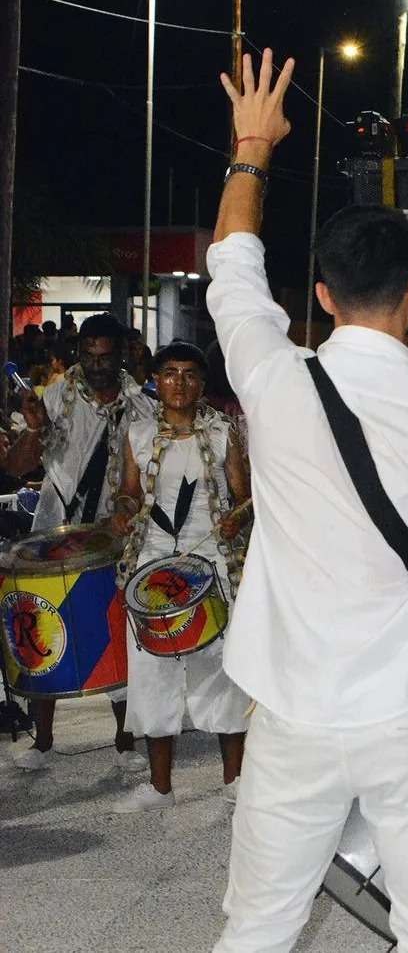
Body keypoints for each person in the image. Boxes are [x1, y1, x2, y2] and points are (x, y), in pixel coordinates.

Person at [208, 50, 408, 953]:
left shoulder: (270, 377)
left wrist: (252, 146)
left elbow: (232, 265)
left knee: (259, 923)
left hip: (294, 708)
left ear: (320, 295)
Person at [6, 312, 154, 772]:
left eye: (105, 356)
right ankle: (43, 741)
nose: (96, 365)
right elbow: (17, 468)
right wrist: (33, 428)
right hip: (55, 533)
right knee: (46, 631)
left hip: (114, 539)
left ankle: (126, 741)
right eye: (88, 356)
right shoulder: (54, 397)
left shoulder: (141, 407)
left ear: (122, 354)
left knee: (113, 634)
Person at [108, 342, 251, 813]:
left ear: (202, 383)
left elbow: (245, 497)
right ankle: (160, 787)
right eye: (170, 373)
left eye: (190, 375)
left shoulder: (224, 431)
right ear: (156, 379)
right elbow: (129, 494)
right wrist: (124, 513)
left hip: (210, 558)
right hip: (153, 562)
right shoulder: (139, 431)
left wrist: (236, 519)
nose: (180, 383)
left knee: (222, 669)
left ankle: (235, 780)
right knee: (152, 673)